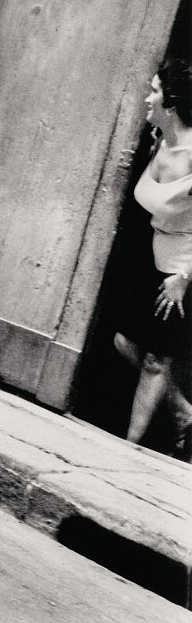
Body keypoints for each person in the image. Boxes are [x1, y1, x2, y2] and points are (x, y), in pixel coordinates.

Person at [114, 57, 192, 460]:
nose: (148, 97)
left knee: (155, 362)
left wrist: (184, 277)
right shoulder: (159, 139)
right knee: (123, 341)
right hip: (153, 257)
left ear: (172, 102)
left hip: (181, 269)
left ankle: (126, 449)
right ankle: (182, 411)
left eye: (155, 91)